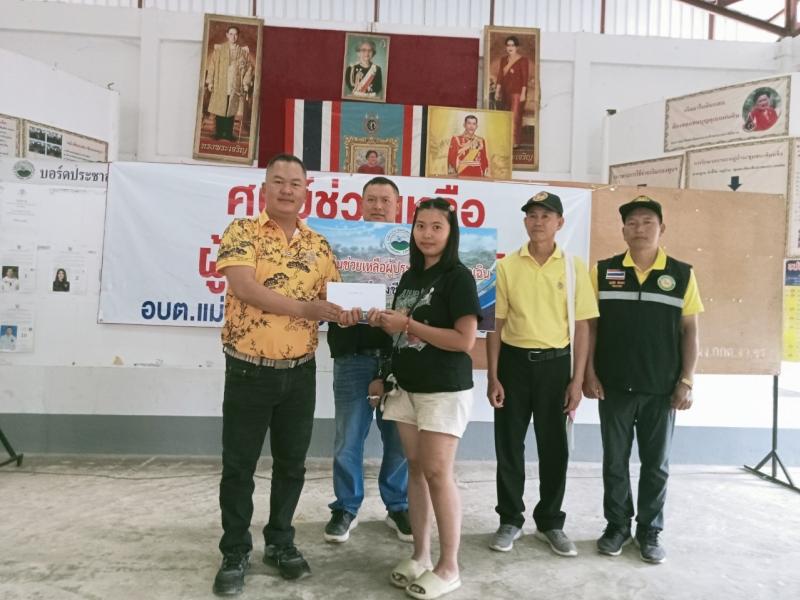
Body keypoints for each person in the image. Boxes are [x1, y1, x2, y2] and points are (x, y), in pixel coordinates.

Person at [211, 153, 345, 596]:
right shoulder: (242, 231)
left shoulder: (319, 245)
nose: (287, 190)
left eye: (295, 183)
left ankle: (280, 542)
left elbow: (336, 298)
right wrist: (306, 310)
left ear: (307, 192)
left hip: (300, 373)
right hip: (248, 369)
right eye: (279, 181)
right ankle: (235, 550)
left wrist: (361, 310)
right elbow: (244, 287)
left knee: (292, 465)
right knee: (239, 467)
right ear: (264, 188)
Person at [368, 197, 481, 600]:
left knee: (437, 472)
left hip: (443, 390)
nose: (427, 234)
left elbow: (464, 341)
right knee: (414, 470)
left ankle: (449, 567)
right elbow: (402, 334)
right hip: (406, 387)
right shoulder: (410, 276)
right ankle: (420, 555)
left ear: (451, 233)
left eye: (437, 227)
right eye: (421, 226)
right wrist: (387, 329)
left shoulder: (458, 277)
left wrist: (409, 324)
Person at [584, 195, 703, 564]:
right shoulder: (603, 271)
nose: (639, 228)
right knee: (614, 462)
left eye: (647, 222)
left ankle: (650, 530)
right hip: (613, 386)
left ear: (661, 228)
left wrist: (687, 380)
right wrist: (588, 372)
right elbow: (590, 327)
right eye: (632, 223)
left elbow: (690, 330)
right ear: (623, 231)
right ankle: (617, 526)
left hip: (661, 389)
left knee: (656, 465)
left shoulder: (681, 274)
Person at [486, 191, 598, 557]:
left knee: (554, 449)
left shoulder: (573, 267)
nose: (538, 222)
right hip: (513, 365)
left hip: (556, 367)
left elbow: (582, 326)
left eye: (546, 216)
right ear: (525, 222)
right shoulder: (507, 266)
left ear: (560, 223)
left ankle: (550, 522)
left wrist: (577, 381)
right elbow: (495, 325)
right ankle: (510, 519)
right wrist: (493, 376)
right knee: (509, 446)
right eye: (532, 215)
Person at [323, 176, 411, 544]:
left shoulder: (413, 250)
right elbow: (320, 293)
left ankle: (399, 505)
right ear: (360, 204)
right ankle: (346, 507)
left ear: (397, 206)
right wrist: (334, 310)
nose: (377, 206)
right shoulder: (338, 247)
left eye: (385, 200)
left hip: (399, 358)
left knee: (400, 439)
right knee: (348, 438)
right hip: (352, 354)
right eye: (371, 199)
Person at [205, 25, 254, 141]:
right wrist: (210, 82)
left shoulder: (242, 52)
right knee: (220, 108)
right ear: (227, 35)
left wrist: (245, 83)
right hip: (221, 83)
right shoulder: (219, 50)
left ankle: (228, 134)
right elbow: (212, 66)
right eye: (231, 34)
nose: (233, 37)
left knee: (230, 109)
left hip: (234, 85)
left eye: (236, 34)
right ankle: (219, 133)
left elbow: (248, 68)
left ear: (238, 36)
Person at [494, 35, 529, 148]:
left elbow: (525, 78)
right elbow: (500, 76)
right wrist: (497, 91)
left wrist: (523, 93)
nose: (510, 47)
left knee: (515, 117)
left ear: (516, 47)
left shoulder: (523, 60)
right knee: (507, 116)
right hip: (505, 92)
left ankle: (514, 142)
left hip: (517, 93)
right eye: (508, 45)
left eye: (512, 45)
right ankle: (507, 140)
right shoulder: (504, 60)